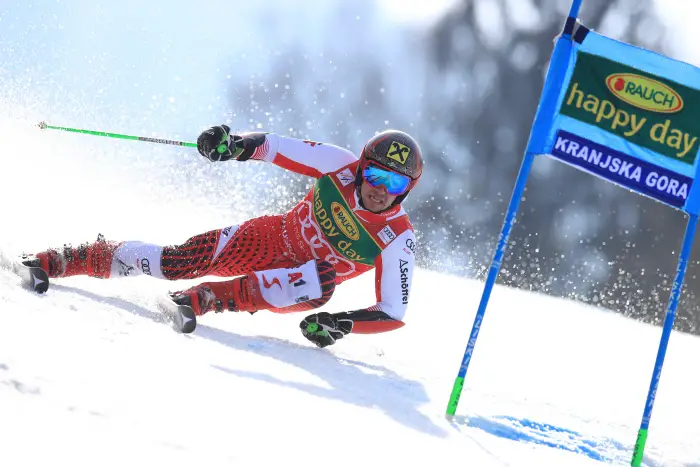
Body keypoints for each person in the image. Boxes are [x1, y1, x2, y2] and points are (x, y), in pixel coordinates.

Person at [25, 125, 423, 348]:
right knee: (174, 263)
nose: (380, 188)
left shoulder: (397, 238)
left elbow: (392, 311)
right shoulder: (339, 164)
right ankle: (68, 258)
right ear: (361, 167)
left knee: (322, 276)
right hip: (268, 237)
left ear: (407, 189)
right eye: (374, 174)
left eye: (395, 182)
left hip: (297, 284)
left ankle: (207, 300)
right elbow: (272, 146)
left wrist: (341, 322)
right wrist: (233, 145)